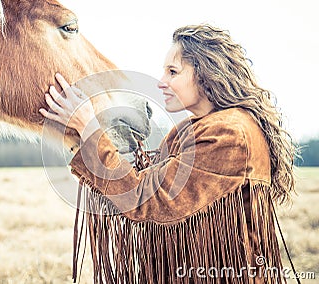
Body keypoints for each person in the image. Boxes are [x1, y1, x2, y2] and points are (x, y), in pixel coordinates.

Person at [39, 24, 296, 283]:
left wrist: (89, 129)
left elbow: (149, 200)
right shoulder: (190, 129)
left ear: (208, 74)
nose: (161, 82)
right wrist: (82, 136)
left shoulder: (229, 134)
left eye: (173, 72)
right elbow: (143, 182)